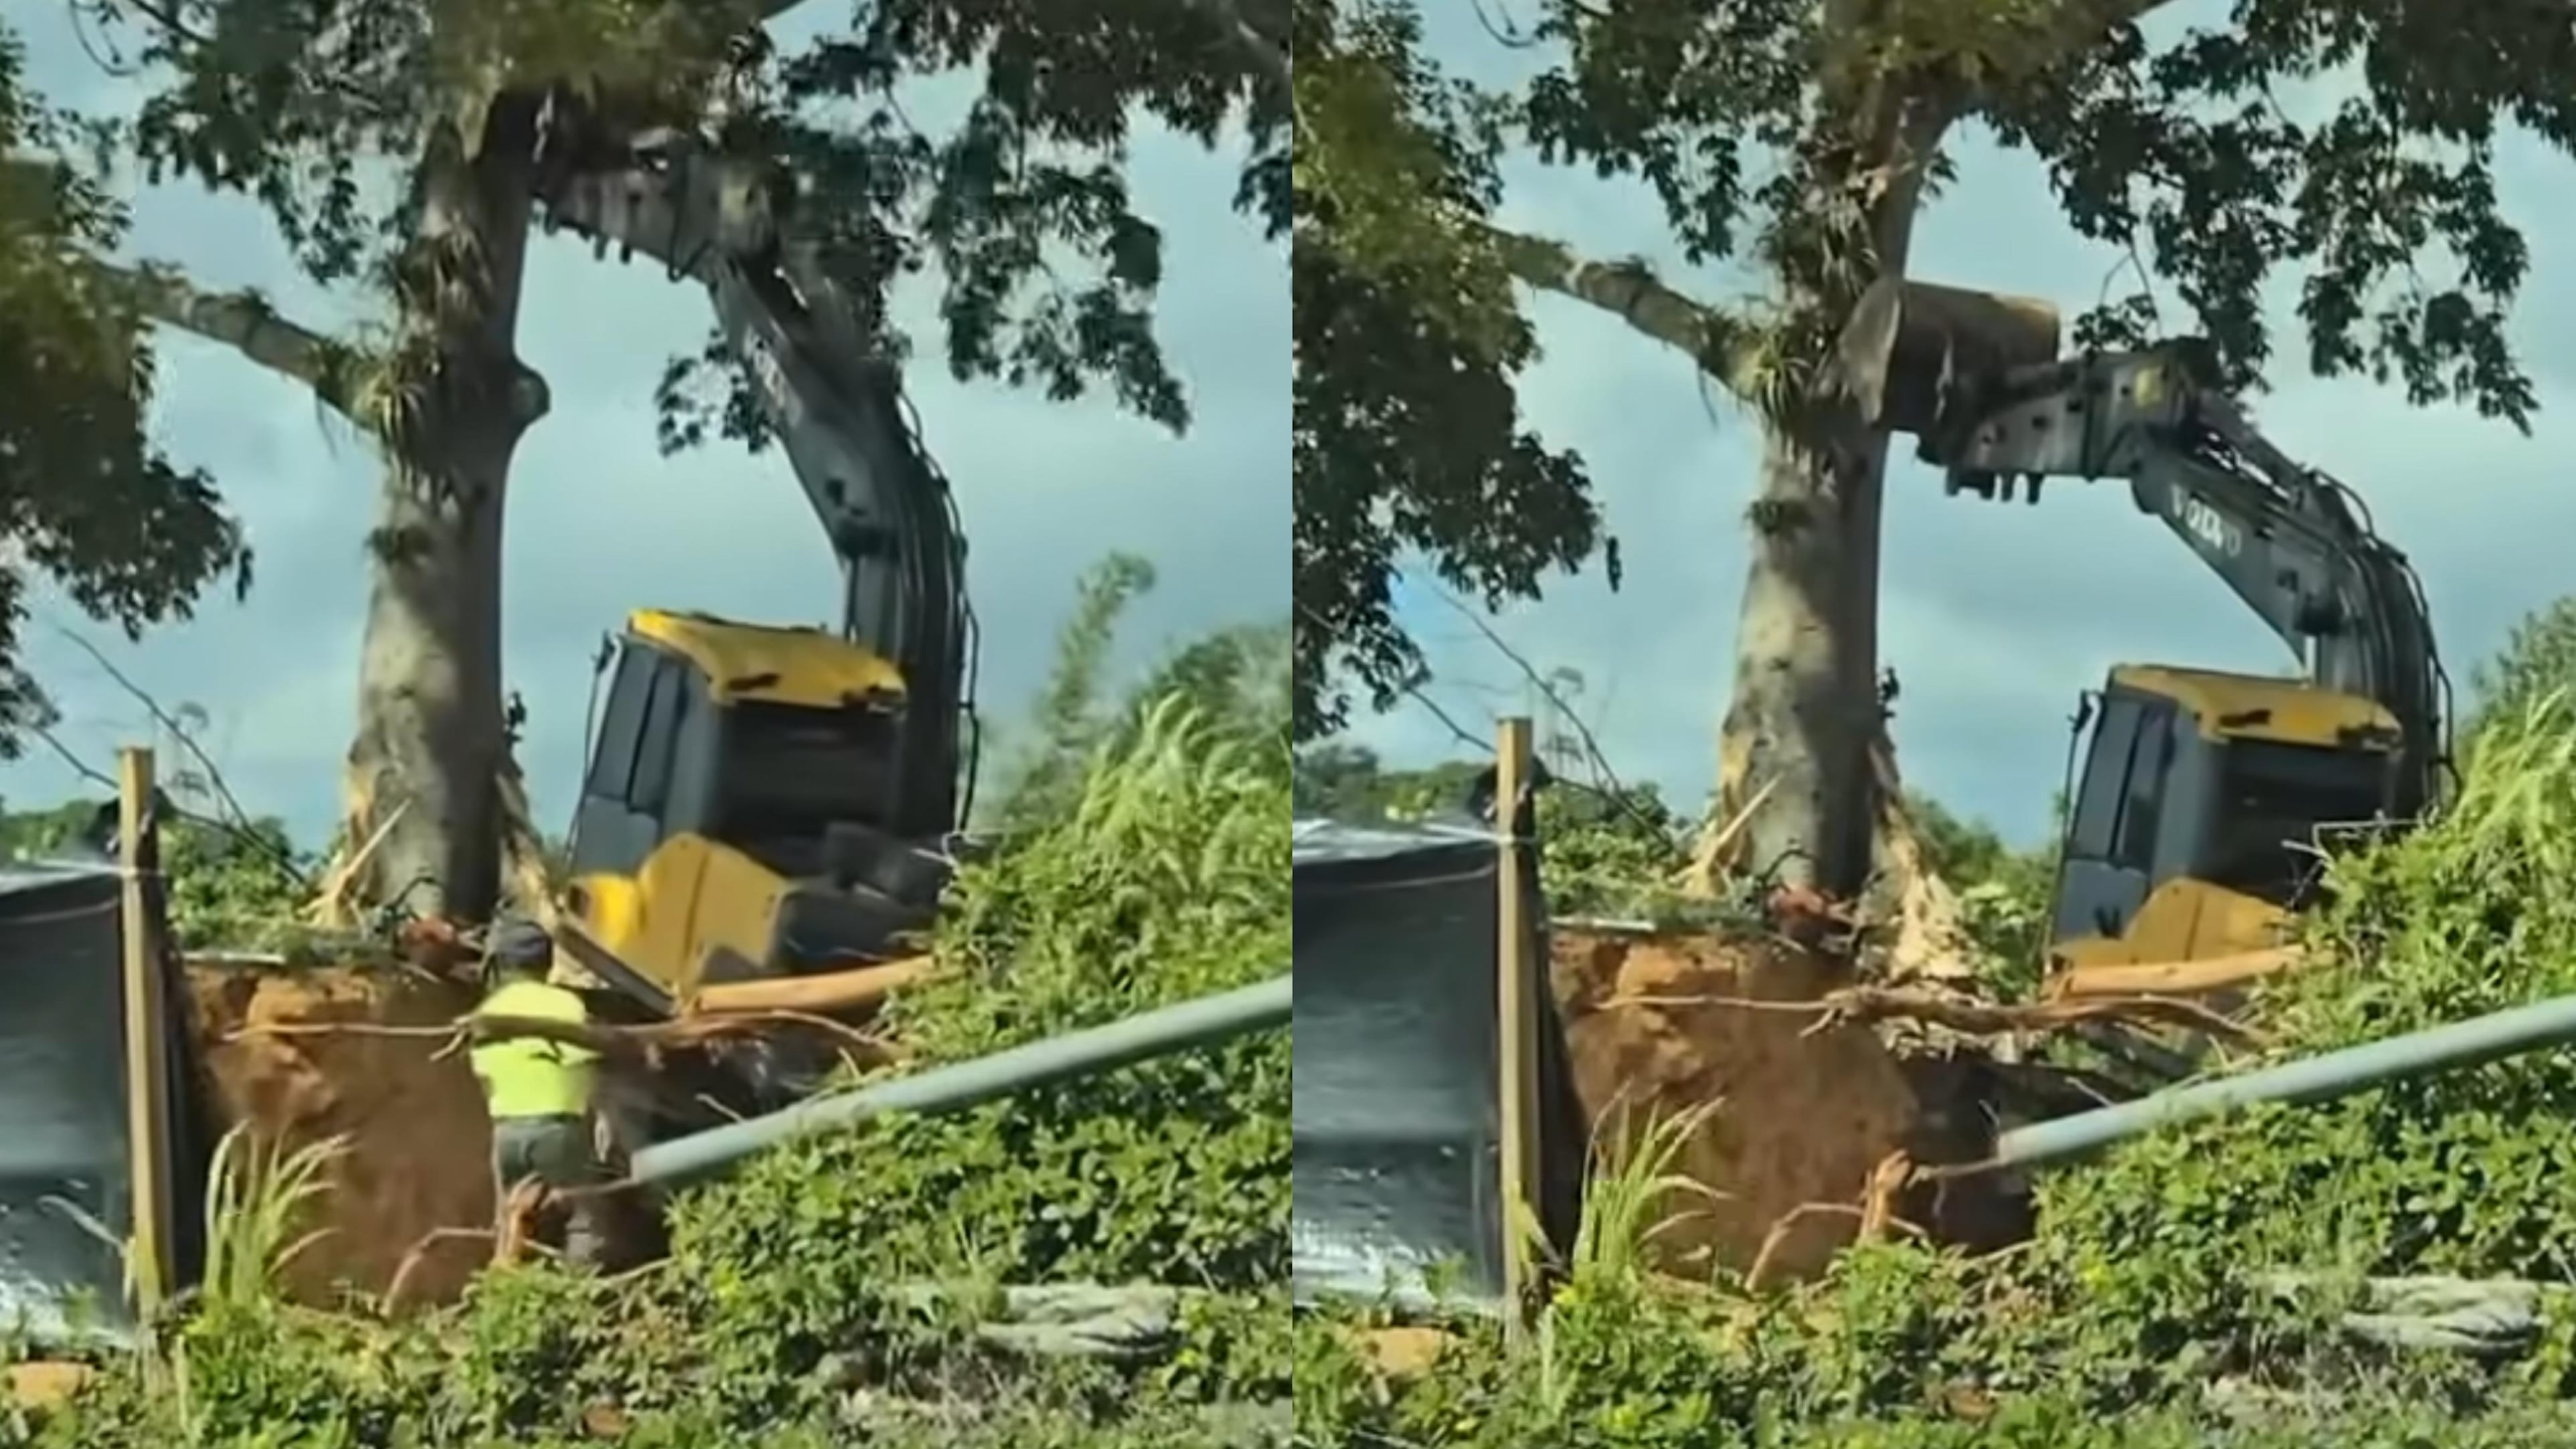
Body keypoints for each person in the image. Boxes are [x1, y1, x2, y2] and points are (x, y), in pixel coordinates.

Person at [468, 916, 609, 1269]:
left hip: (507, 1134)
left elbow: (484, 1076)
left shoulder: (488, 1013)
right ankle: (577, 1291)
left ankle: (508, 1292)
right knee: (582, 1218)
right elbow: (590, 1061)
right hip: (559, 1132)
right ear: (546, 963)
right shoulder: (567, 1007)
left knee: (511, 1219)